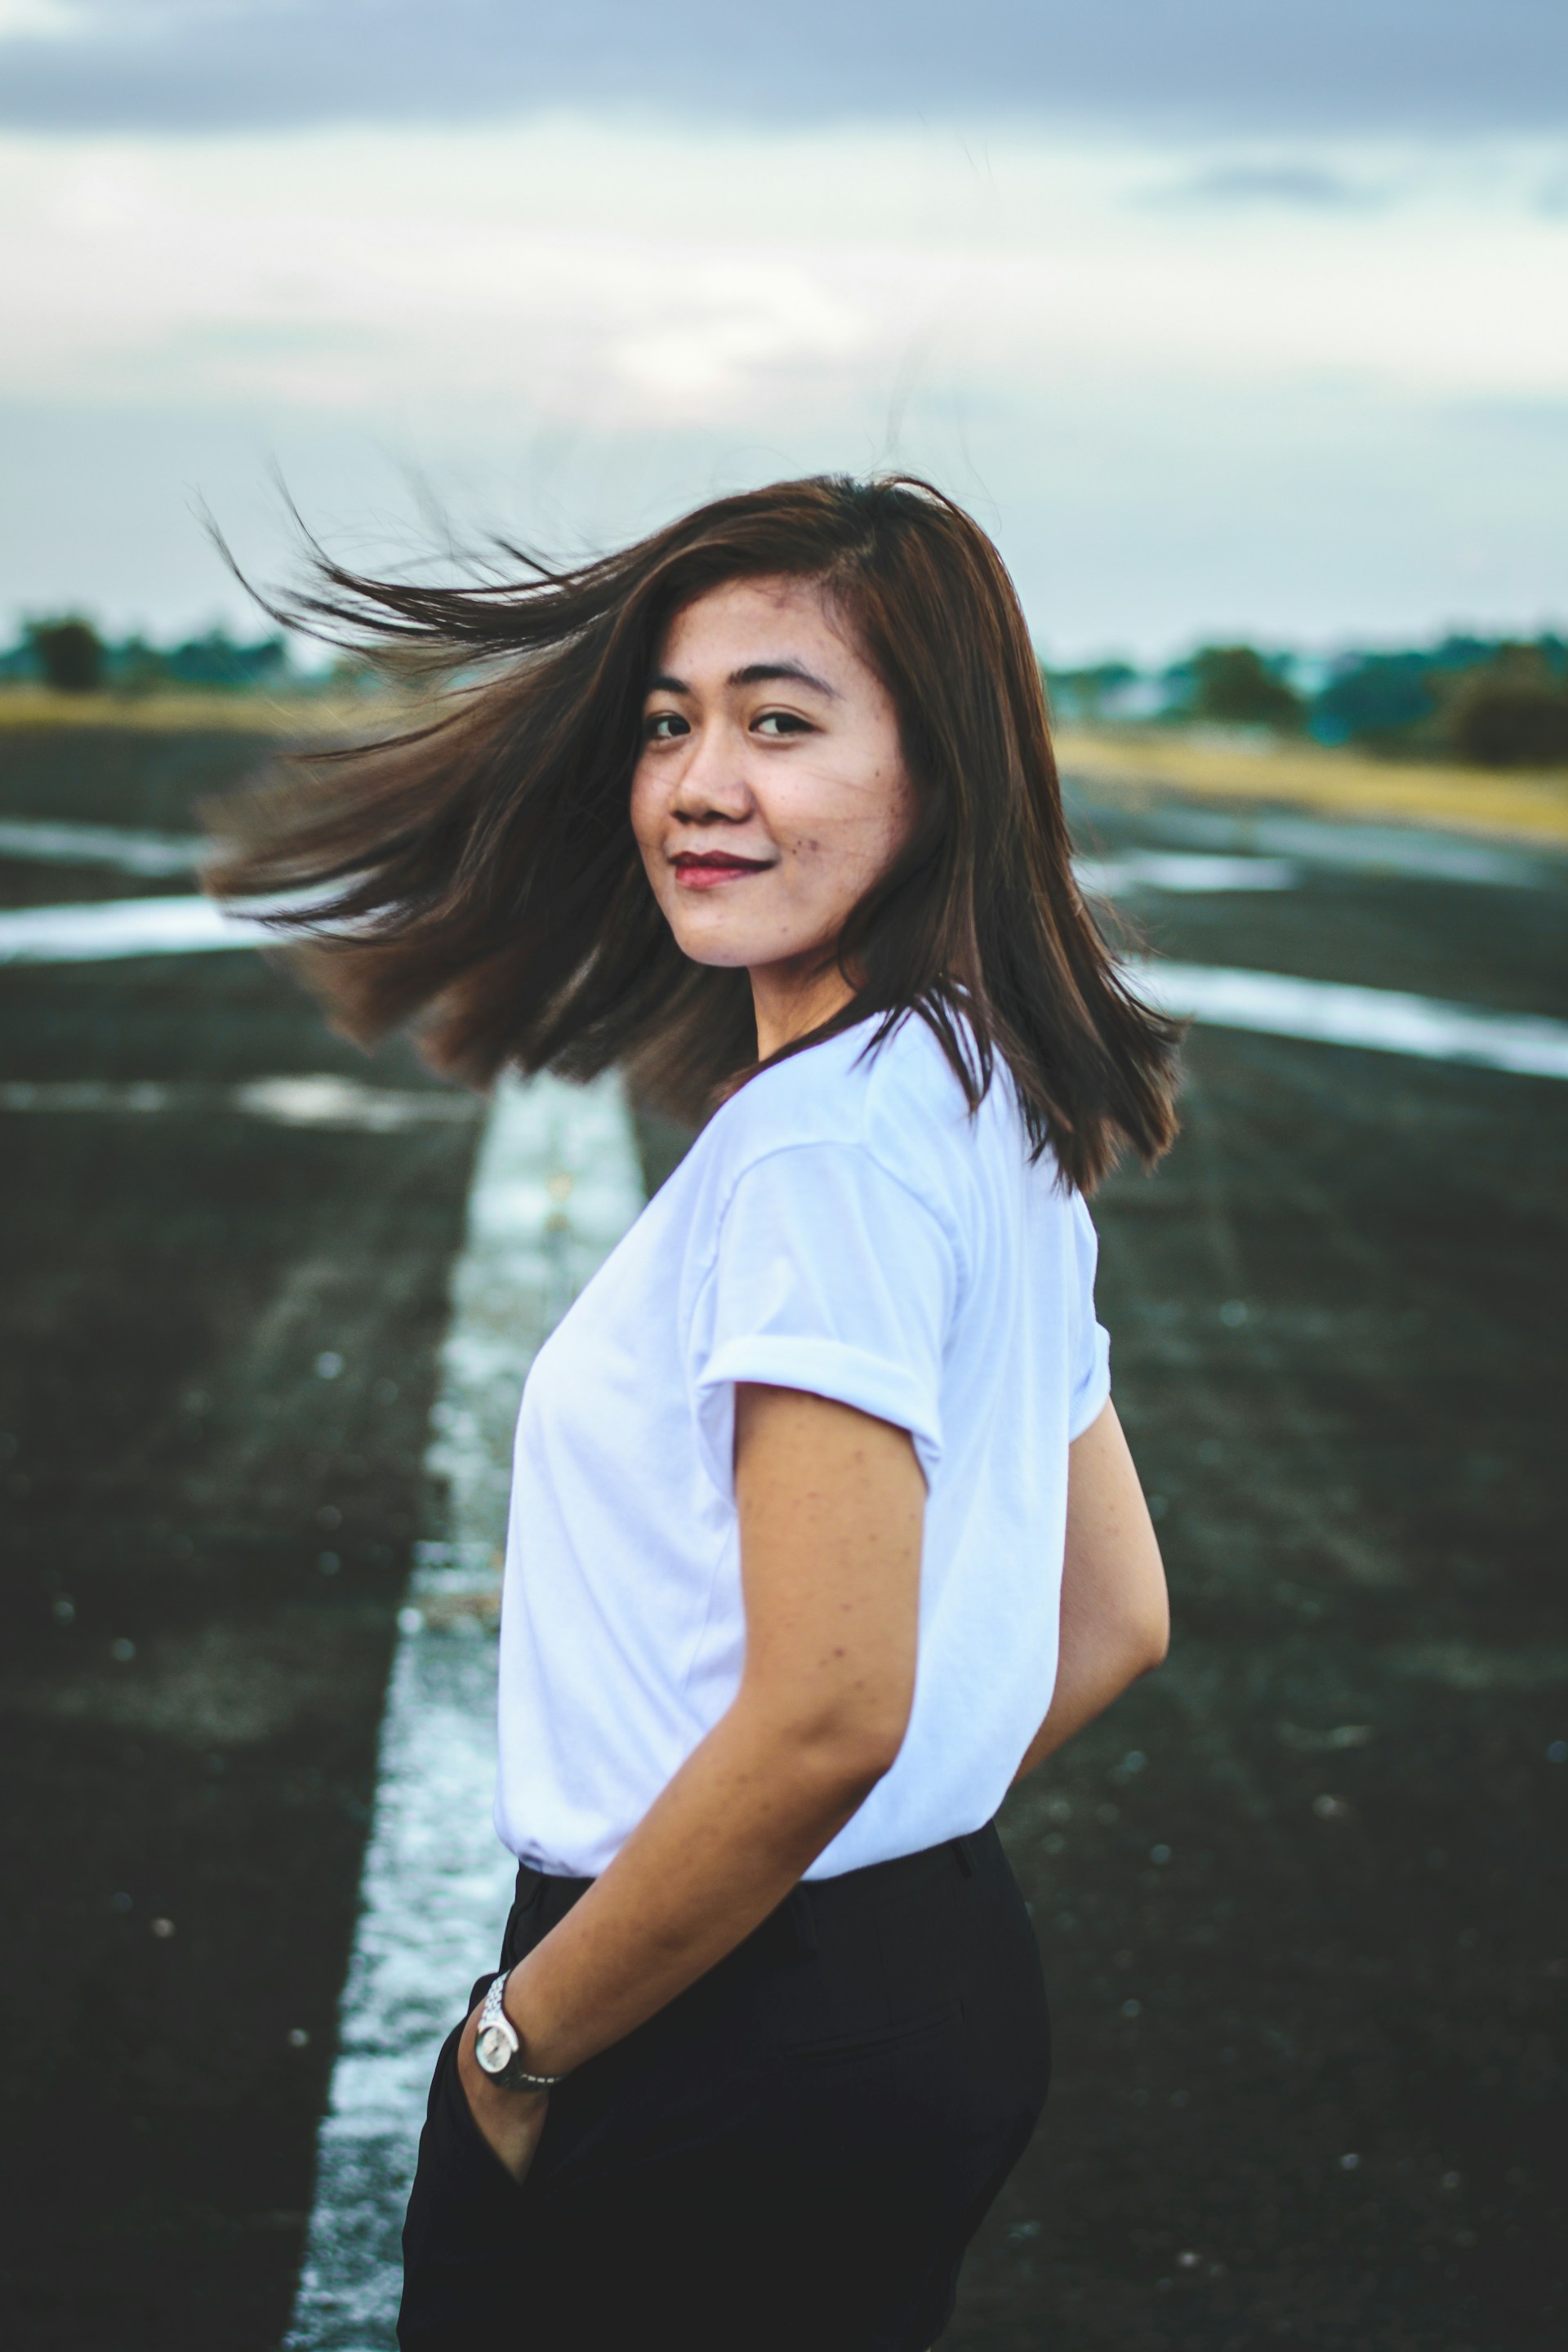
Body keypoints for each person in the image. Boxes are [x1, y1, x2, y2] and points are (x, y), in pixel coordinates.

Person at [208, 474, 1180, 2350]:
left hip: (703, 2022)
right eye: (671, 723)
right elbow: (1116, 1617)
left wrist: (517, 2044)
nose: (698, 782)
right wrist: (865, 1909)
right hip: (922, 1985)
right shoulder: (983, 1091)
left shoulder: (820, 1151)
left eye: (783, 722)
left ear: (942, 773)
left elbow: (828, 1708)